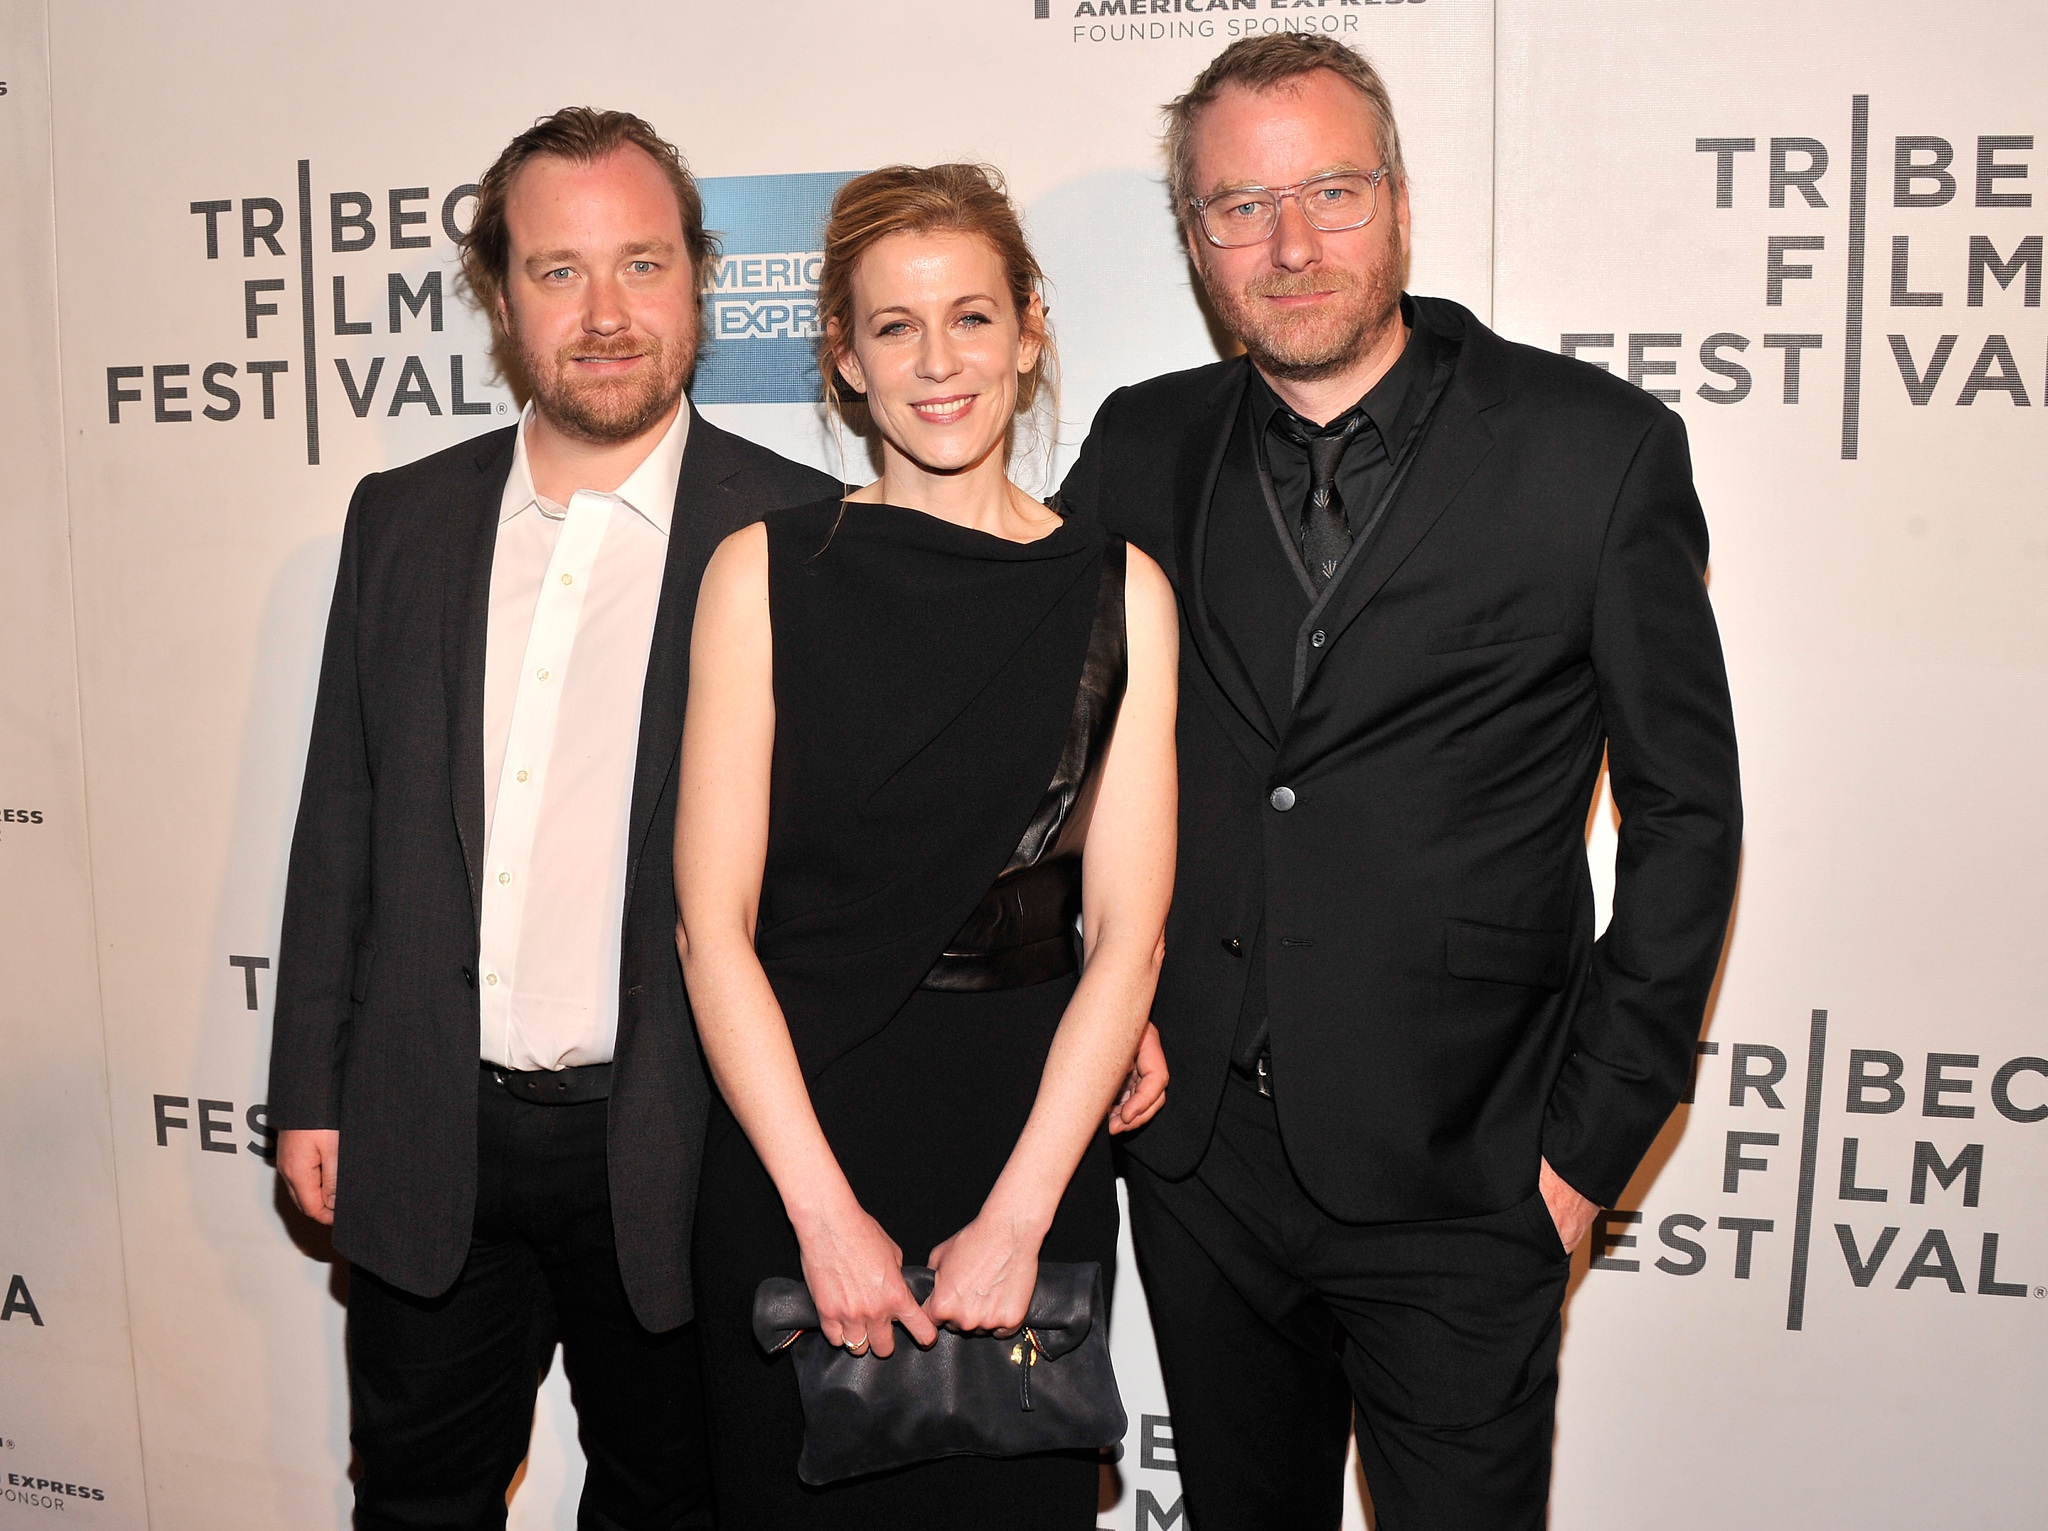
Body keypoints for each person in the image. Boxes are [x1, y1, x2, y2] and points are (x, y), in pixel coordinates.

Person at [1058, 35, 1743, 1531]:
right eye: (1240, 207)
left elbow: (1689, 817)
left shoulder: (1595, 454)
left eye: (1332, 192)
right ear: (1193, 240)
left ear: (1401, 202)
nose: (1292, 245)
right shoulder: (1139, 443)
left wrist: (1581, 1156)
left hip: (1472, 1166)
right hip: (1200, 1167)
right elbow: (1050, 754)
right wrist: (1094, 1006)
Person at [267, 108, 839, 1530]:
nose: (603, 315)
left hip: (681, 1144)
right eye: (557, 271)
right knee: (415, 1500)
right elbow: (341, 809)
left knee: (672, 1504)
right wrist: (313, 1088)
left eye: (641, 265)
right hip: (427, 1128)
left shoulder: (806, 534)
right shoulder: (400, 519)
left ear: (702, 277)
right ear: (499, 294)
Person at [676, 163, 1179, 1528]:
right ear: (843, 357)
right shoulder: (761, 573)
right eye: (894, 326)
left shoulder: (1122, 589)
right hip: (796, 1138)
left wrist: (1021, 1216)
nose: (938, 362)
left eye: (971, 317)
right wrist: (821, 1217)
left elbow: (1126, 936)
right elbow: (708, 929)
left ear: (1029, 330)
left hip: (1028, 1136)